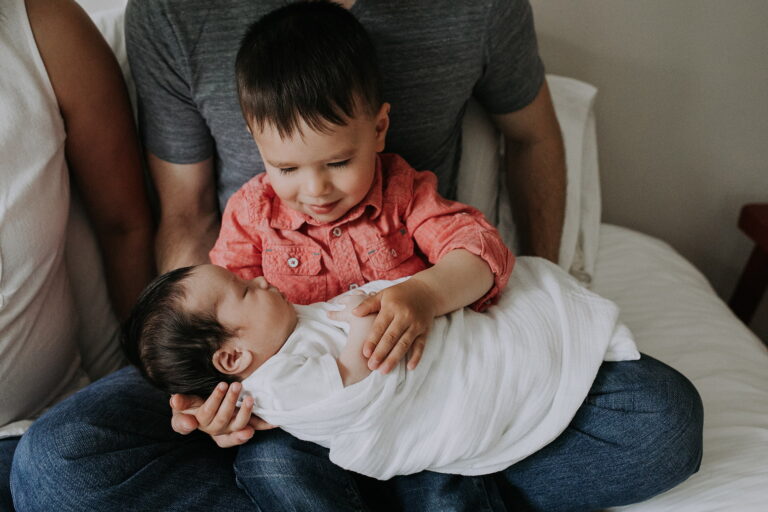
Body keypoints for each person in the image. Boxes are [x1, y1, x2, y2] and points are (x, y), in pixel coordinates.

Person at [12, 1, 703, 512]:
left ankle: (414, 464)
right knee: (55, 470)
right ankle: (422, 481)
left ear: (378, 128)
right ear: (258, 148)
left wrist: (425, 297)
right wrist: (197, 402)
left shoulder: (404, 190)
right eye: (286, 169)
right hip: (278, 397)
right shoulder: (250, 212)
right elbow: (199, 247)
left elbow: (478, 240)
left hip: (427, 377)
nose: (314, 192)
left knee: (664, 423)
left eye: (339, 163)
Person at [124, 259, 641, 480]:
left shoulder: (280, 331)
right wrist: (359, 323)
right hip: (416, 400)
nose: (260, 277)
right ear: (234, 359)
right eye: (244, 290)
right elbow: (350, 383)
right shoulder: (276, 382)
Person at [1, 0, 154, 510]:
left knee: (60, 473)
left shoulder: (41, 25)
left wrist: (154, 374)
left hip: (34, 429)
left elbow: (126, 225)